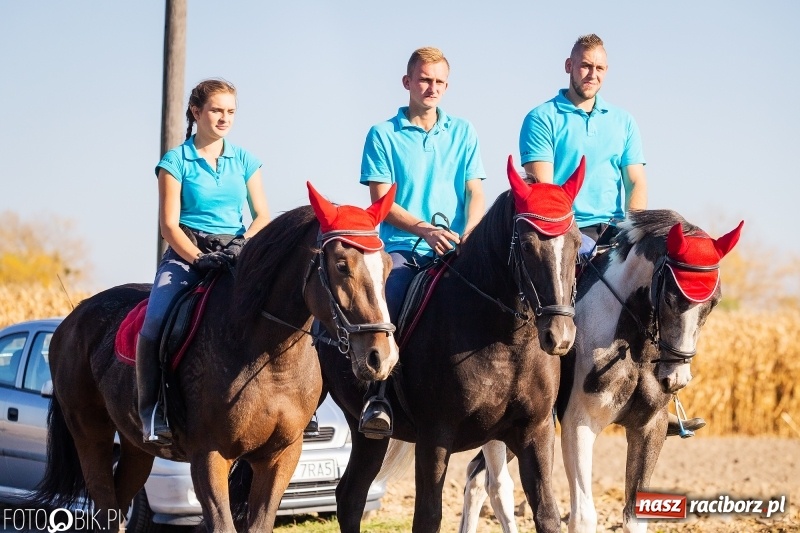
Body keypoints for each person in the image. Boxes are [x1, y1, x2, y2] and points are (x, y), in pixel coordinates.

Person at [519, 34, 704, 437]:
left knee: (659, 291)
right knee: (559, 304)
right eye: (585, 66)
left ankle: (655, 399)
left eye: (600, 68)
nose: (592, 74)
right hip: (566, 231)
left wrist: (631, 230)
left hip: (616, 231)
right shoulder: (542, 117)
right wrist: (574, 235)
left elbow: (635, 179)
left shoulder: (622, 121)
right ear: (569, 66)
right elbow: (546, 190)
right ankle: (544, 397)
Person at [357, 46, 486, 437]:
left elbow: (475, 193)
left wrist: (469, 234)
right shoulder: (382, 135)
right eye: (425, 79)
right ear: (407, 82)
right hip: (402, 248)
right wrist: (424, 230)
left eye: (439, 82)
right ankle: (377, 399)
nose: (432, 88)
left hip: (457, 249)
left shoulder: (464, 132)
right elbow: (382, 201)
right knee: (389, 304)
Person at [137, 78, 270, 445]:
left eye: (230, 112)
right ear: (197, 112)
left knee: (288, 304)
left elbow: (262, 215)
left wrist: (241, 246)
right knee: (156, 319)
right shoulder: (174, 161)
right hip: (188, 253)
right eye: (216, 110)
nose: (224, 118)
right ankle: (152, 411)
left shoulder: (245, 159)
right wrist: (199, 258)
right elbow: (168, 224)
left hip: (236, 252)